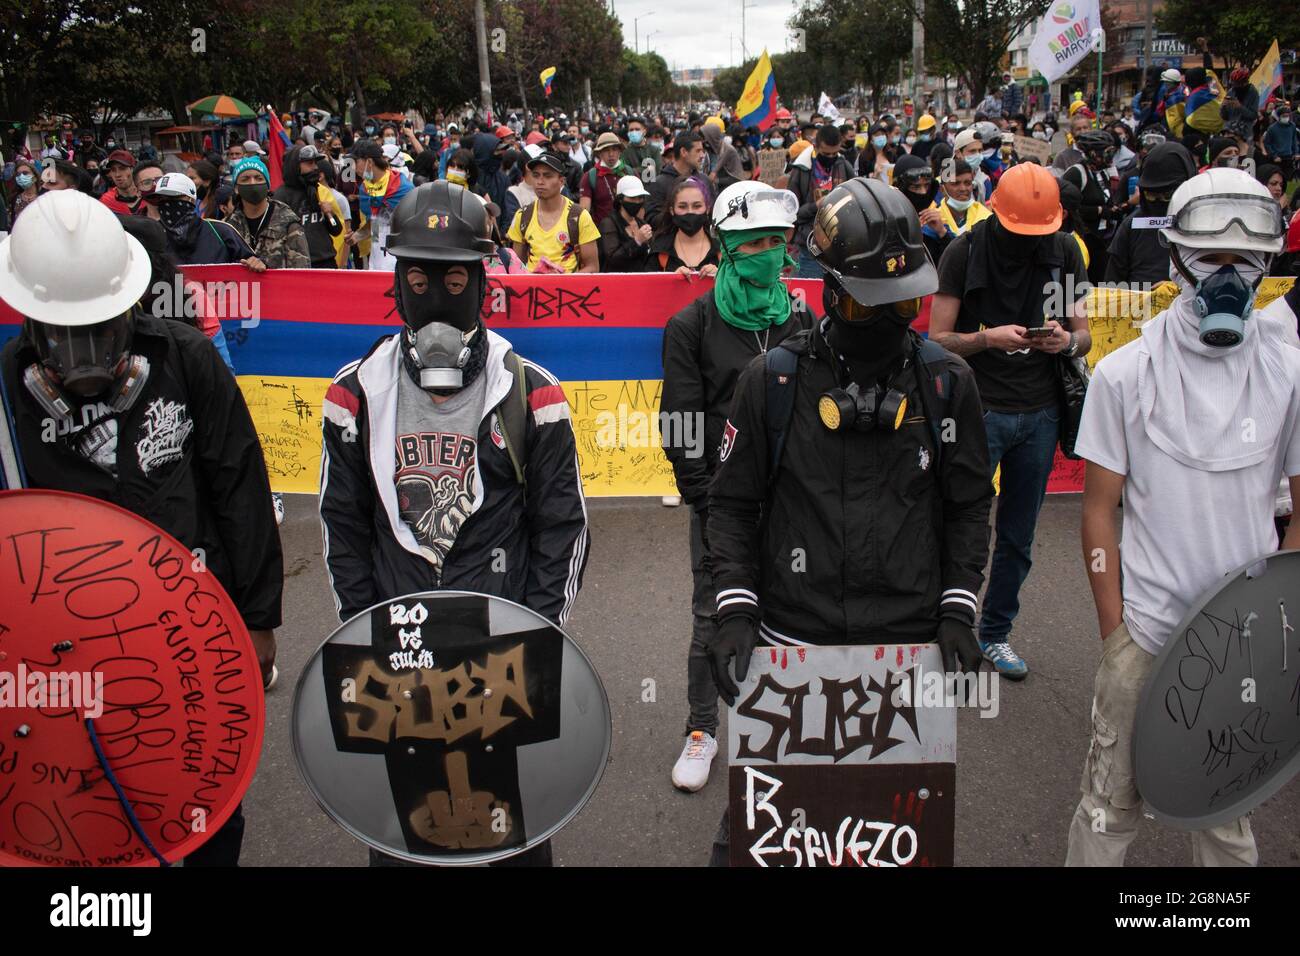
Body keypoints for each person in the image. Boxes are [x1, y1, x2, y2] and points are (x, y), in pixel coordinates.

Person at [704, 177, 993, 862]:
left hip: (907, 652)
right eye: (872, 306)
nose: (895, 320)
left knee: (896, 837)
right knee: (765, 840)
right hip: (789, 649)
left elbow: (970, 503)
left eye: (908, 304)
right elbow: (733, 506)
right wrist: (735, 608)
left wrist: (958, 606)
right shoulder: (770, 381)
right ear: (829, 291)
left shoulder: (949, 382)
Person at [0, 190, 283, 864]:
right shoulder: (7, 397)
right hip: (61, 653)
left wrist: (257, 619)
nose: (83, 352)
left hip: (184, 644)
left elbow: (238, 484)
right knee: (80, 816)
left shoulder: (186, 361)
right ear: (32, 321)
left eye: (99, 327)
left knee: (202, 815)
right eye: (63, 333)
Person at [318, 181, 589, 868]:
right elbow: (342, 526)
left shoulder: (534, 393)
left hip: (503, 652)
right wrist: (364, 634)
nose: (435, 292)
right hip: (398, 657)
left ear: (482, 281)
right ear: (396, 283)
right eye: (416, 274)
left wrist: (539, 638)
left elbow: (560, 527)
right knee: (407, 833)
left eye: (454, 276)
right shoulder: (354, 394)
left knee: (515, 830)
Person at [1066, 167, 1300, 867]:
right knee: (1108, 810)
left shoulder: (1290, 372)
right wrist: (1117, 636)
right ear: (1174, 258)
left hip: (1248, 641)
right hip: (1148, 626)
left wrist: (1282, 619)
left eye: (1247, 261)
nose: (1227, 279)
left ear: (1270, 263)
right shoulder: (1124, 375)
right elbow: (1099, 511)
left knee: (1227, 812)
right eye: (1208, 259)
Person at [656, 181, 808, 792]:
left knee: (792, 607)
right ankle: (702, 729)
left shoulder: (800, 314)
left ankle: (783, 719)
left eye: (777, 241)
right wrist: (706, 499)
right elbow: (681, 421)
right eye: (753, 243)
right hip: (722, 502)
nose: (768, 252)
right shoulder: (690, 324)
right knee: (710, 616)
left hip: (796, 497)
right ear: (724, 245)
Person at [928, 162, 1093, 679]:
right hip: (978, 410)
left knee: (1018, 536)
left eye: (1038, 232)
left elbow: (1082, 332)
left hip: (1041, 413)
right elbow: (936, 339)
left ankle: (995, 635)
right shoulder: (965, 249)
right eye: (1021, 231)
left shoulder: (1065, 250)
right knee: (954, 522)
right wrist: (987, 339)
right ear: (996, 213)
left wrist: (1066, 341)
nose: (1029, 242)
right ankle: (938, 625)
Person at [1104, 141, 1197, 285]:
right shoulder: (1132, 224)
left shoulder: (1202, 223)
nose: (1159, 202)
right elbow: (1113, 280)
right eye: (1152, 195)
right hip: (1138, 304)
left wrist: (1177, 289)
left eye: (1167, 195)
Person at [507, 148, 600, 273]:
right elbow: (516, 266)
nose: (540, 181)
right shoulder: (522, 216)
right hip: (533, 290)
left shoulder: (579, 216)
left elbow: (593, 267)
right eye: (536, 175)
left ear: (561, 181)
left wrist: (560, 281)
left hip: (567, 290)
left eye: (547, 176)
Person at [145, 172, 264, 270]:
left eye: (174, 198)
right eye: (162, 199)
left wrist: (257, 263)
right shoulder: (152, 239)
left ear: (191, 199)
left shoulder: (221, 231)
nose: (167, 204)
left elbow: (252, 263)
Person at [786, 124, 854, 278]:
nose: (831, 158)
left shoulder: (843, 165)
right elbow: (791, 213)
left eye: (834, 154)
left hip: (840, 245)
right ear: (815, 147)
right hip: (811, 246)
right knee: (812, 293)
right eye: (826, 154)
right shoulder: (801, 169)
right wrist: (815, 206)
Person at [226, 155, 310, 269]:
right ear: (236, 188)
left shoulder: (288, 223)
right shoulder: (229, 227)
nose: (252, 183)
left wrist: (267, 270)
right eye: (245, 179)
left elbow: (301, 272)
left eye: (258, 178)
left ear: (267, 186)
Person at [1061, 129, 1122, 282]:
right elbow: (1067, 207)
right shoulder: (1076, 173)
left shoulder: (1103, 172)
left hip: (1103, 240)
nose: (1110, 156)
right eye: (1107, 152)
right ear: (1094, 153)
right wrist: (1099, 211)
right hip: (1086, 240)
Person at [275, 144, 344, 269]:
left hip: (326, 261)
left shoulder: (315, 190)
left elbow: (336, 229)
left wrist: (330, 215)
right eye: (310, 163)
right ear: (296, 166)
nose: (315, 167)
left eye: (315, 163)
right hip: (299, 266)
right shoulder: (281, 196)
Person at [350, 139, 413, 271]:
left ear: (370, 162)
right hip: (376, 260)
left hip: (400, 261)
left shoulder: (403, 188)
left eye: (356, 162)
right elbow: (376, 224)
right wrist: (356, 236)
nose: (353, 168)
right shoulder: (364, 188)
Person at [920, 157, 992, 264]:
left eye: (967, 183)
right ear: (942, 189)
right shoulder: (931, 223)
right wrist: (942, 233)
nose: (963, 189)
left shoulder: (986, 218)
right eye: (955, 183)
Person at [645, 178, 719, 276]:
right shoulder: (659, 251)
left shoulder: (723, 250)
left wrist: (721, 277)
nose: (690, 211)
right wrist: (671, 281)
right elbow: (649, 288)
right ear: (672, 210)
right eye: (682, 207)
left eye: (697, 206)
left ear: (707, 209)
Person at [646, 132, 705, 225]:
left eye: (702, 151)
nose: (702, 155)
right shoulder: (659, 183)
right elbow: (651, 220)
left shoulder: (704, 181)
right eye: (698, 151)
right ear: (683, 152)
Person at [597, 174, 653, 272]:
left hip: (640, 281)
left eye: (640, 198)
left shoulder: (641, 223)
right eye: (632, 198)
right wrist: (637, 241)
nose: (637, 202)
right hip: (616, 282)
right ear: (620, 199)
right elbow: (612, 258)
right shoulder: (608, 223)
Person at [579, 131, 625, 226]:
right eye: (606, 150)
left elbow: (640, 207)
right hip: (602, 232)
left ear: (620, 151)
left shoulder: (629, 173)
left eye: (614, 149)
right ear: (599, 153)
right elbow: (584, 210)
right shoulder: (589, 176)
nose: (611, 154)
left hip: (628, 232)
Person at [97, 149, 138, 215]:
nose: (117, 174)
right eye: (113, 170)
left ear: (132, 169)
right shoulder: (105, 201)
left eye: (122, 168)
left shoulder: (147, 196)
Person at [9, 157, 39, 223]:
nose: (21, 177)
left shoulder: (44, 197)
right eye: (18, 174)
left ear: (35, 177)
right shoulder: (15, 198)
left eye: (25, 173)